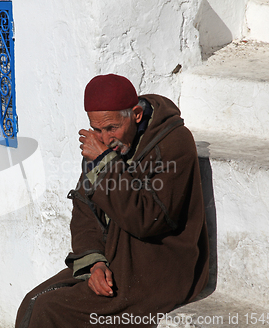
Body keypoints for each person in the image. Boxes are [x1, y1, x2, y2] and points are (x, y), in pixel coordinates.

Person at [15, 74, 209, 327]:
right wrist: (94, 263)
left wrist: (106, 162)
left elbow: (148, 219)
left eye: (111, 128)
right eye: (96, 129)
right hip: (112, 258)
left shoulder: (174, 143)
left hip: (157, 268)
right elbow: (86, 209)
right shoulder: (102, 149)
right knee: (34, 301)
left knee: (50, 310)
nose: (104, 138)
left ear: (136, 115)